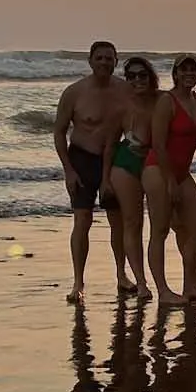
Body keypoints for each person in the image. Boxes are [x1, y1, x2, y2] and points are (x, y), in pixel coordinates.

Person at [52, 39, 133, 302]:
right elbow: (59, 132)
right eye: (99, 58)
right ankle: (78, 282)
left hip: (115, 158)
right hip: (82, 159)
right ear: (90, 61)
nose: (104, 62)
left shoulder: (126, 90)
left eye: (109, 58)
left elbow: (145, 114)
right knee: (82, 219)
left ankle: (122, 275)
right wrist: (68, 170)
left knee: (117, 221)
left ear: (116, 62)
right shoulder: (74, 92)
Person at [145, 54, 196, 303]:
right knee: (160, 230)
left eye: (193, 69)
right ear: (175, 74)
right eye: (183, 70)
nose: (188, 74)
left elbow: (195, 137)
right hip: (158, 170)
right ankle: (163, 291)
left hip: (183, 172)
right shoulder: (166, 101)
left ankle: (189, 285)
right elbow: (158, 144)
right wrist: (170, 181)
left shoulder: (195, 101)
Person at [99, 57, 157, 297]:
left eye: (142, 75)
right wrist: (105, 180)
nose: (137, 80)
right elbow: (110, 145)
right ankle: (141, 281)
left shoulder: (162, 101)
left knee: (162, 222)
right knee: (133, 222)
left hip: (154, 163)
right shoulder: (121, 107)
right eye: (131, 76)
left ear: (150, 77)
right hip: (126, 164)